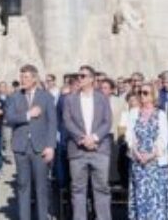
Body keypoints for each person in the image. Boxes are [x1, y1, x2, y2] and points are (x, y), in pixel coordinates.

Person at [5, 64, 57, 220]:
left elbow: (52, 123)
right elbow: (9, 118)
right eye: (21, 76)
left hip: (40, 148)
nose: (22, 79)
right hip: (21, 148)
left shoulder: (46, 97)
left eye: (26, 76)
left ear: (35, 78)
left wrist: (51, 146)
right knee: (22, 186)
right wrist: (28, 114)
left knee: (41, 188)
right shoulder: (14, 96)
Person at [62, 64, 113, 220]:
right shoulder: (70, 99)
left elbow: (107, 121)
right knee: (78, 190)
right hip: (78, 150)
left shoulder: (102, 98)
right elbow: (67, 121)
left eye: (83, 76)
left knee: (102, 189)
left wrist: (94, 138)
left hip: (99, 149)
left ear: (91, 79)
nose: (80, 78)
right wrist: (82, 139)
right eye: (79, 76)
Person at [125, 84, 168, 220]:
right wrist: (136, 152)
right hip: (138, 162)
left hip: (155, 163)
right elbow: (129, 134)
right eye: (140, 92)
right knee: (140, 195)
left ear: (153, 95)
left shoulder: (160, 114)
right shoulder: (134, 112)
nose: (142, 95)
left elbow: (164, 138)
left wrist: (151, 155)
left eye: (145, 93)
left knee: (155, 197)